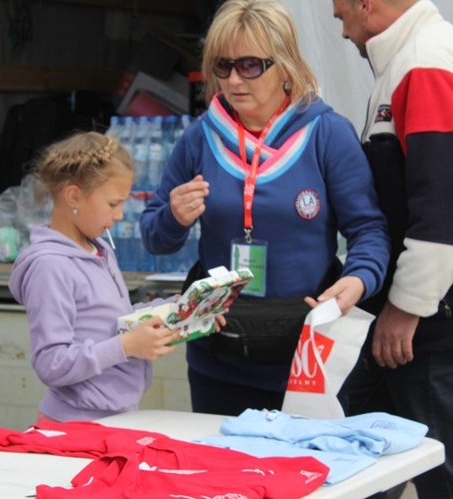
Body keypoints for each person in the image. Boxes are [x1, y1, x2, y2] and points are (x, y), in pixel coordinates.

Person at [140, 0, 390, 417]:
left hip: (307, 353)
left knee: (311, 480)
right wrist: (173, 218)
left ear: (285, 65)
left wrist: (359, 280)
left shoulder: (326, 133)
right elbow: (154, 236)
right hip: (217, 354)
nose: (235, 80)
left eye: (251, 65)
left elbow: (369, 230)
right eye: (222, 66)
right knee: (221, 478)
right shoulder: (200, 137)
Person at [332, 1, 453, 496]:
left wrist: (409, 306)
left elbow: (441, 204)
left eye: (340, 17)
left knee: (439, 470)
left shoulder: (424, 62)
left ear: (367, 5)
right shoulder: (407, 60)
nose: (341, 33)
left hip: (429, 322)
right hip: (412, 314)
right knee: (357, 448)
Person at [8, 131, 180, 423]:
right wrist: (127, 347)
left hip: (116, 419)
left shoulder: (98, 250)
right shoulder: (50, 267)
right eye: (113, 204)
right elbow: (51, 363)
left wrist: (175, 310)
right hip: (73, 427)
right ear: (74, 195)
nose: (120, 215)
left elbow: (112, 322)